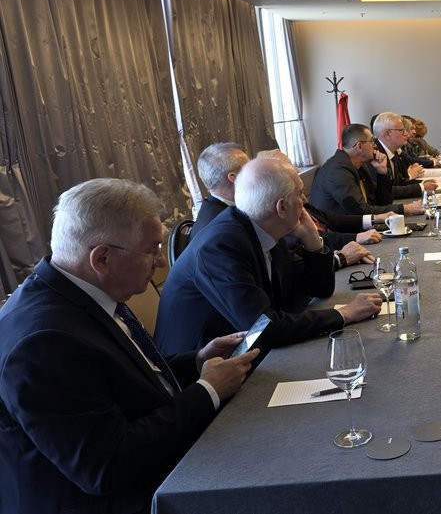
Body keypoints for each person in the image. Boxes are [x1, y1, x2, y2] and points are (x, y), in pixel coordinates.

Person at [0, 178, 258, 514]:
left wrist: (195, 361)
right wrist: (207, 390)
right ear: (102, 258)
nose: (161, 262)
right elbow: (105, 466)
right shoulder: (43, 342)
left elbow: (118, 378)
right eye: (152, 249)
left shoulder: (79, 291)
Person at [155, 156, 382, 356]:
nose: (304, 201)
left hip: (250, 350)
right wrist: (344, 314)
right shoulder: (221, 245)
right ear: (281, 207)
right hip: (202, 367)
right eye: (299, 194)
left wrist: (313, 243)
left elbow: (318, 289)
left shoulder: (265, 227)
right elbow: (264, 328)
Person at [195, 144, 379, 268]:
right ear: (234, 178)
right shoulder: (222, 230)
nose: (303, 199)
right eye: (249, 167)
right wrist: (339, 258)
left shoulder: (241, 211)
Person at [309, 123, 423, 223]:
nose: (375, 145)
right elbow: (361, 210)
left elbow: (382, 201)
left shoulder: (360, 165)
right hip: (339, 233)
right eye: (372, 141)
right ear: (359, 146)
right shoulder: (338, 171)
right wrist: (405, 209)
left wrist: (382, 173)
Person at [373, 112, 438, 199]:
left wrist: (422, 183)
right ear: (387, 134)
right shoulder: (375, 155)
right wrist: (421, 187)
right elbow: (386, 191)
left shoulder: (393, 151)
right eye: (401, 130)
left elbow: (400, 182)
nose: (406, 134)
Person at [193, 142, 249, 234]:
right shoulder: (228, 226)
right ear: (234, 178)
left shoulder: (211, 208)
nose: (254, 175)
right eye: (250, 169)